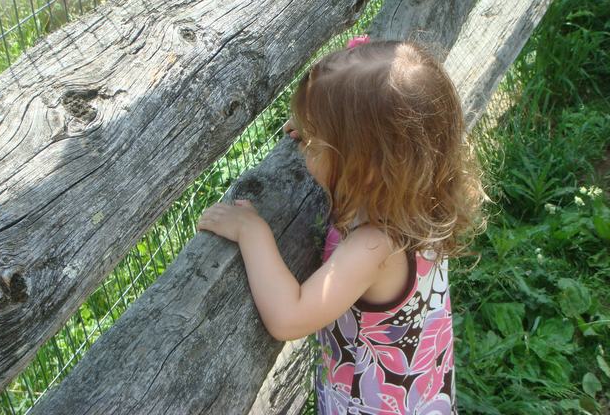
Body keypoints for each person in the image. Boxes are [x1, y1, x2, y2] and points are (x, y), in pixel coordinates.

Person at [197, 37, 484, 414]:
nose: (304, 145)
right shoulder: (418, 202)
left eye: (315, 142)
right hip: (422, 396)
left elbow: (288, 317)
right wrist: (318, 131)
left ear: (363, 165)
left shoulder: (373, 248)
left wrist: (253, 232)